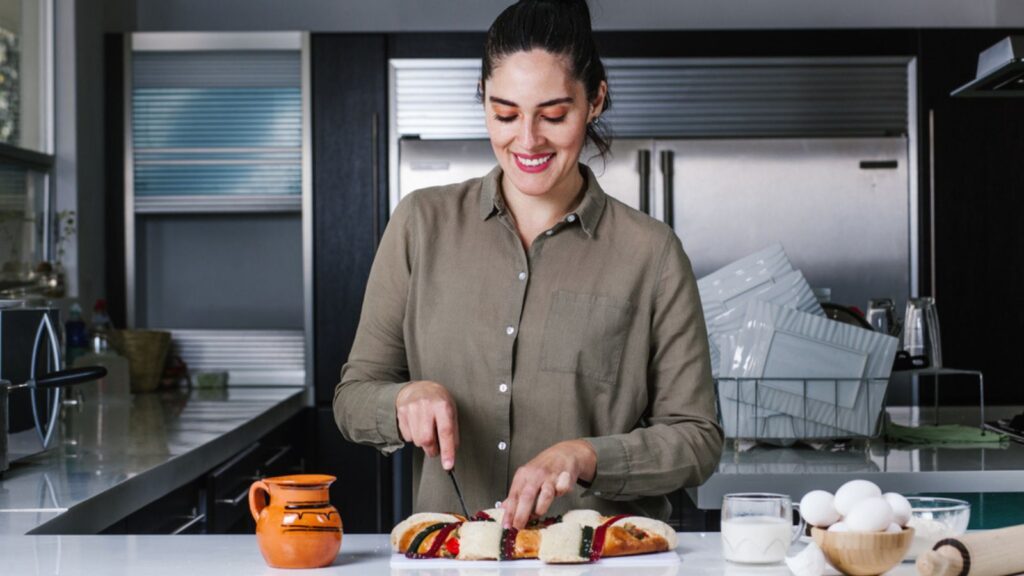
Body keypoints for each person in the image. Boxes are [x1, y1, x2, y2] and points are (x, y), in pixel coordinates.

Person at [334, 0, 723, 530]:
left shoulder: (652, 255)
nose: (528, 139)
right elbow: (354, 398)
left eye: (554, 115)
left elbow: (697, 439)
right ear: (484, 103)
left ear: (596, 100)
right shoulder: (420, 225)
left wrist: (586, 457)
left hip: (598, 561)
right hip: (454, 559)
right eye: (506, 114)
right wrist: (404, 398)